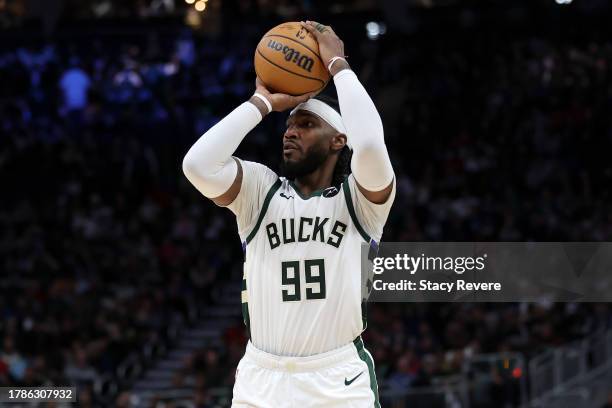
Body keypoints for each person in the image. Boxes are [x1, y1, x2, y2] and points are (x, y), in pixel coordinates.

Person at [182, 20, 395, 407]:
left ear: (337, 141)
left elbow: (370, 144)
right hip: (260, 378)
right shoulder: (260, 190)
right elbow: (197, 165)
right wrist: (261, 103)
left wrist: (338, 67)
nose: (290, 132)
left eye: (306, 124)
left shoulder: (360, 201)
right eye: (289, 124)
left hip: (336, 379)